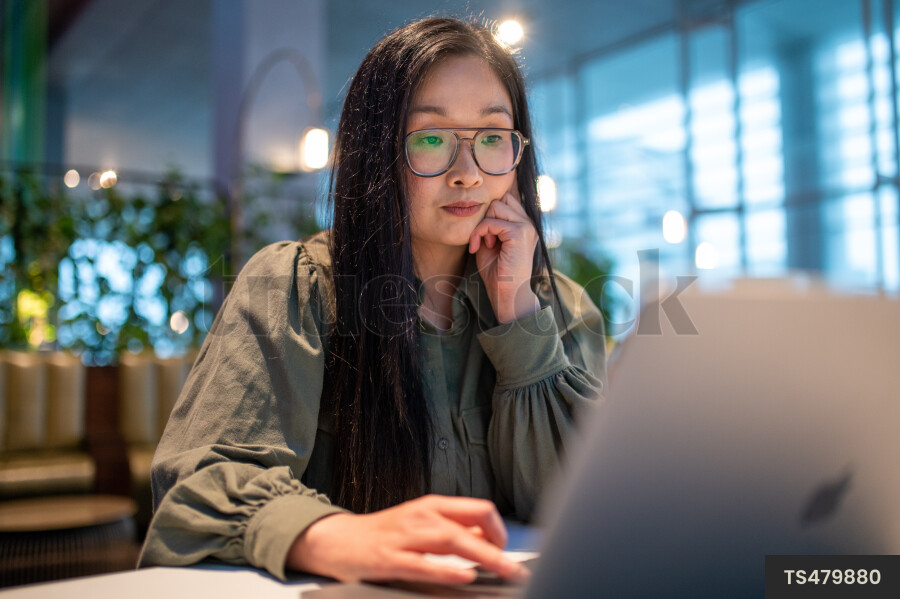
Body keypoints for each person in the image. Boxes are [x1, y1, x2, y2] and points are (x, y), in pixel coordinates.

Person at [138, 17, 606, 586]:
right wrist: (331, 534)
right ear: (376, 155)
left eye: (491, 139)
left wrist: (517, 312)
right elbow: (199, 488)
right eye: (430, 139)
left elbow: (584, 512)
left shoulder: (561, 307)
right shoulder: (297, 286)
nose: (467, 174)